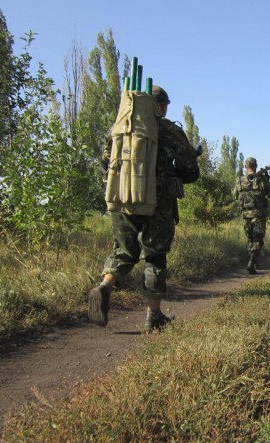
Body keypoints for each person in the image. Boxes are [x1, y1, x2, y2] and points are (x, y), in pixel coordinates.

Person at [88, 85, 200, 332]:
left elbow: (104, 163)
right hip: (157, 203)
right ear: (160, 106)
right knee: (154, 256)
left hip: (121, 199)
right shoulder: (169, 130)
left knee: (124, 252)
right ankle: (153, 316)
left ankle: (105, 285)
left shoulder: (119, 129)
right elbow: (191, 172)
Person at [233, 157, 270, 274]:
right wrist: (266, 179)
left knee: (250, 238)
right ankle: (252, 262)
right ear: (256, 166)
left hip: (245, 214)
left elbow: (235, 195)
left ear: (245, 167)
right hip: (259, 214)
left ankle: (254, 260)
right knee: (258, 239)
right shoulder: (261, 179)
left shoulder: (239, 180)